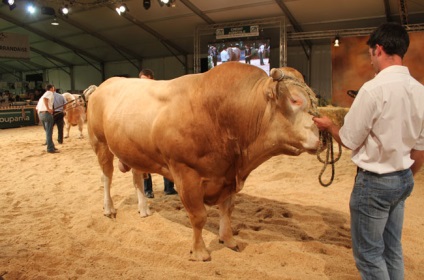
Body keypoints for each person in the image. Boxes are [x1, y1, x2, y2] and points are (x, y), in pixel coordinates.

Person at [312, 22, 424, 279]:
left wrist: (330, 126)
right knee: (392, 249)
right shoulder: (420, 91)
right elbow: (421, 147)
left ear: (379, 50)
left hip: (374, 183)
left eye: (370, 54)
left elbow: (350, 139)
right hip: (403, 177)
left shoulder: (372, 89)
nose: (371, 60)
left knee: (369, 255)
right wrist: (405, 177)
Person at [139, 69, 178, 198]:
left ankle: (169, 188)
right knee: (145, 160)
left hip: (160, 128)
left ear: (152, 79)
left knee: (166, 158)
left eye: (146, 80)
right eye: (141, 80)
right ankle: (148, 190)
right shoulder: (138, 96)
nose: (143, 84)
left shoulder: (160, 91)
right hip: (144, 129)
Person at [36, 84, 59, 153]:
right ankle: (50, 148)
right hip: (46, 114)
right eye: (53, 88)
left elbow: (36, 108)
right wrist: (48, 109)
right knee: (49, 132)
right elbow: (45, 99)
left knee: (47, 131)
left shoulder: (43, 94)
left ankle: (51, 146)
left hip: (41, 114)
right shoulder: (50, 93)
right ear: (52, 88)